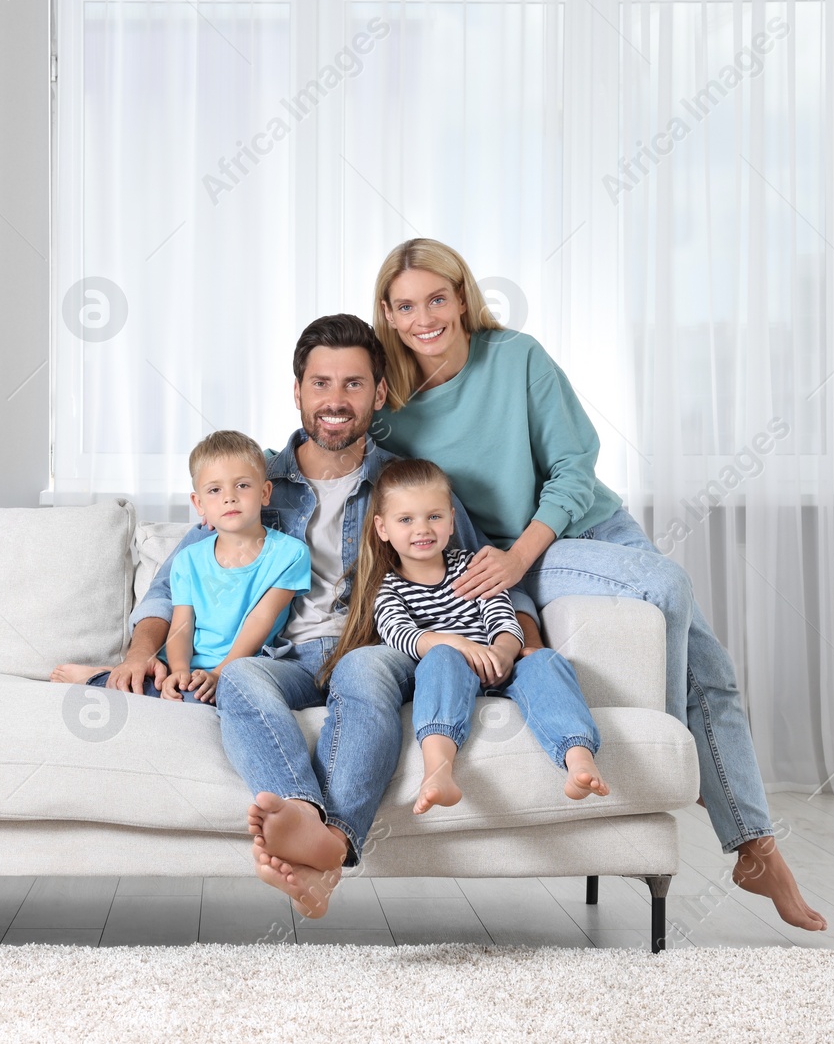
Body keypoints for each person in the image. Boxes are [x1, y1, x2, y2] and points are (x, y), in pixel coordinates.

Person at [367, 237, 827, 932]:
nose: (425, 316)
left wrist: (522, 553)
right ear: (389, 315)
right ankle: (694, 780)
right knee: (668, 586)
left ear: (462, 296)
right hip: (515, 556)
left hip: (583, 529)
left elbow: (576, 465)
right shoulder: (392, 410)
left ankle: (754, 844)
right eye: (407, 305)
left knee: (715, 673)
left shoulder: (517, 357)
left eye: (438, 297)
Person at [96, 313, 542, 917]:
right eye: (322, 383)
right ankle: (306, 819)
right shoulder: (255, 482)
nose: (336, 400)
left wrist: (525, 646)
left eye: (354, 384)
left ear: (379, 393)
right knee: (242, 677)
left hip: (378, 645)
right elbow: (170, 589)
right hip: (285, 658)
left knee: (361, 671)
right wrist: (140, 652)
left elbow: (486, 575)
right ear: (298, 390)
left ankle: (331, 844)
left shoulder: (406, 483)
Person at [317, 456, 608, 817]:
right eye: (406, 519)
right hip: (448, 674)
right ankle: (438, 770)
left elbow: (502, 615)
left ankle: (578, 758)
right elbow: (401, 634)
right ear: (382, 528)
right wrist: (460, 645)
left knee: (544, 659)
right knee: (442, 658)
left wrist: (504, 650)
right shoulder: (388, 587)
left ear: (452, 520)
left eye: (434, 516)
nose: (422, 529)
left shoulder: (471, 566)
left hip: (499, 668)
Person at [51, 430, 310, 704]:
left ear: (265, 493)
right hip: (188, 664)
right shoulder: (188, 560)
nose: (229, 497)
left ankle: (101, 679)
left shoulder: (290, 554)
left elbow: (261, 621)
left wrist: (220, 673)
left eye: (243, 486)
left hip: (243, 667)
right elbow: (182, 626)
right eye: (214, 490)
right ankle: (123, 677)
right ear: (199, 504)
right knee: (176, 690)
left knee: (213, 696)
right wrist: (179, 672)